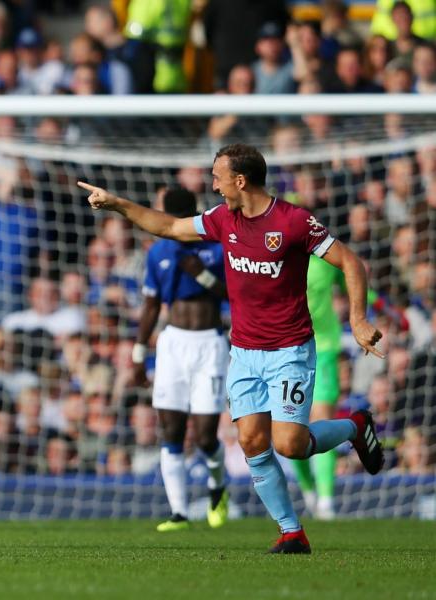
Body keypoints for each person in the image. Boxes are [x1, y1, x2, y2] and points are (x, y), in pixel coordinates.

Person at [79, 143, 384, 554]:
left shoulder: (293, 222)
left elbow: (351, 262)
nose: (213, 183)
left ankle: (354, 427)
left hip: (289, 350)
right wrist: (117, 204)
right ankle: (291, 532)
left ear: (241, 180)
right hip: (243, 351)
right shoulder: (224, 219)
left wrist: (358, 320)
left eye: (218, 176)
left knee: (290, 445)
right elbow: (169, 227)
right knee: (252, 442)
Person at [133, 188, 231, 532]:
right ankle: (178, 512)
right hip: (173, 344)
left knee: (205, 436)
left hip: (210, 343)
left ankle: (217, 486)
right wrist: (138, 352)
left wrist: (201, 275)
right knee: (171, 429)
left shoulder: (215, 247)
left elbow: (231, 294)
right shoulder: (159, 250)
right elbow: (150, 306)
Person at [291, 255, 346, 520]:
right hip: (288, 351)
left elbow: (354, 281)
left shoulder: (327, 257)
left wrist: (379, 305)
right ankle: (309, 490)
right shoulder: (280, 256)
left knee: (323, 417)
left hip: (322, 348)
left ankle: (326, 501)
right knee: (291, 426)